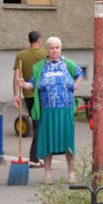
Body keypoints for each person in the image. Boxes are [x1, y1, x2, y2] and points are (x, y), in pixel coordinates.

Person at [18, 37, 84, 184]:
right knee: (47, 141)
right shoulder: (39, 67)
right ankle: (47, 174)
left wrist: (75, 86)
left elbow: (80, 74)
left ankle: (71, 172)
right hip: (47, 111)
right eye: (51, 48)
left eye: (57, 47)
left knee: (68, 141)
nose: (54, 50)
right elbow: (32, 85)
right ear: (46, 50)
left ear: (60, 49)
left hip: (65, 110)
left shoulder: (68, 64)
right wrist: (23, 84)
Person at [13, 31, 48, 168]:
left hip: (28, 95)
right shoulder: (45, 54)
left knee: (37, 125)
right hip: (42, 95)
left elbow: (17, 75)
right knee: (40, 126)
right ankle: (34, 158)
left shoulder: (21, 55)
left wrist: (16, 94)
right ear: (39, 40)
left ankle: (39, 157)